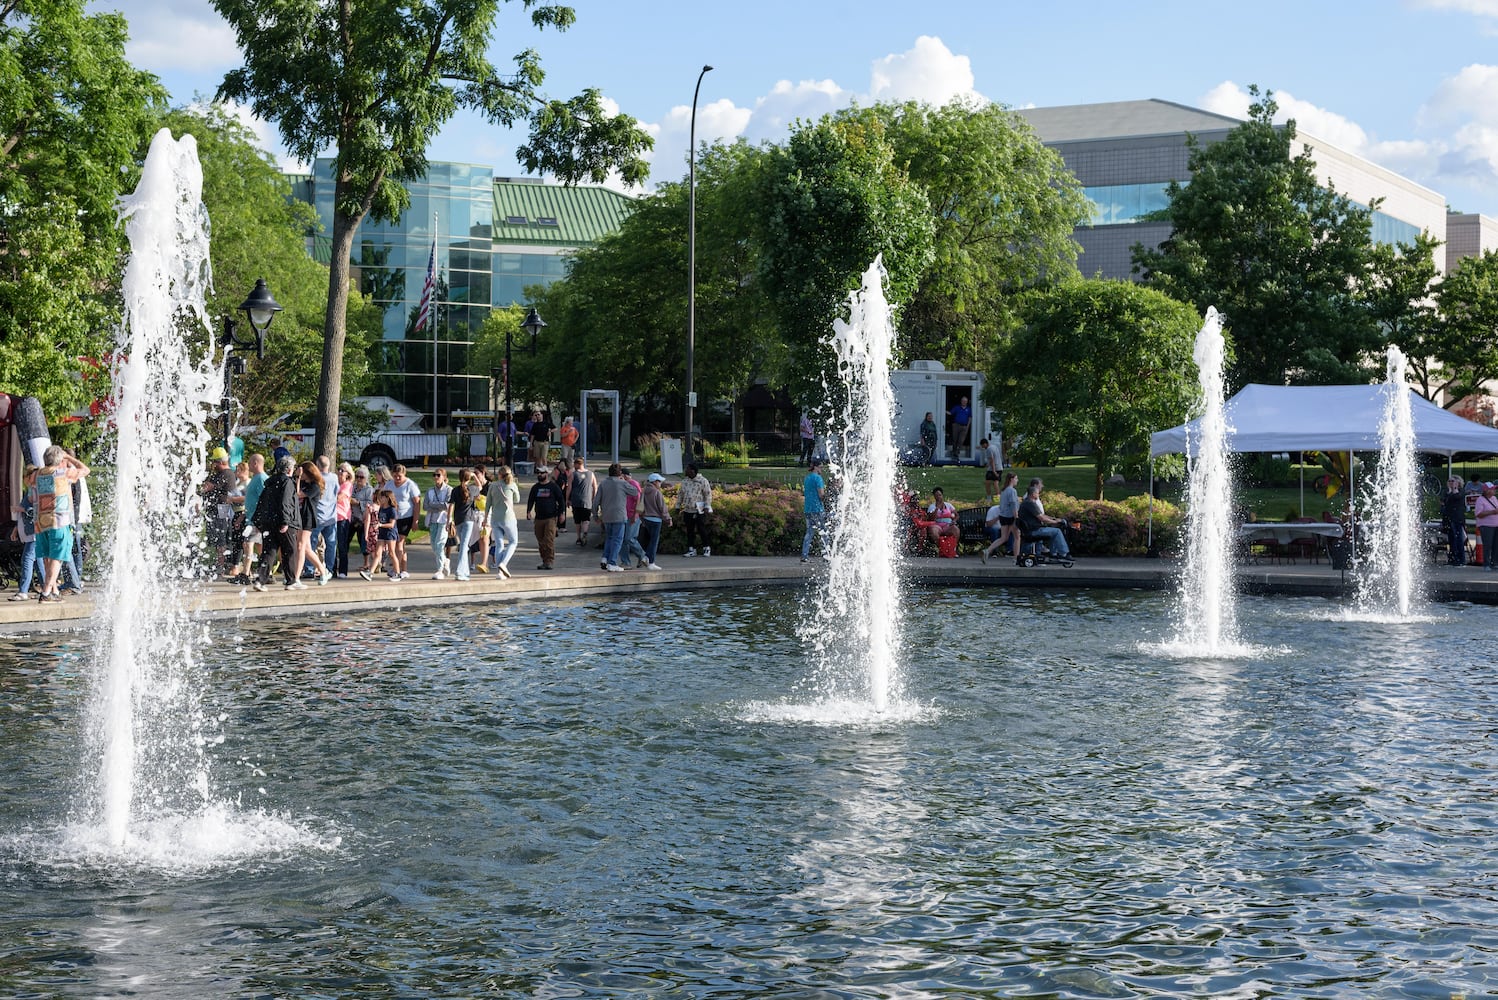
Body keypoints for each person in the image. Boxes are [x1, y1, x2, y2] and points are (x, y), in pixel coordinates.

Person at [30, 446, 89, 603]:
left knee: (48, 557)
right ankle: (46, 592)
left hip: (40, 523)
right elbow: (85, 469)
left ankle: (54, 590)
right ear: (60, 459)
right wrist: (69, 458)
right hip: (59, 521)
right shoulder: (63, 473)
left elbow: (30, 497)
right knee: (57, 557)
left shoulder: (36, 475)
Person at [252, 454, 300, 591]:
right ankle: (290, 581)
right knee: (289, 550)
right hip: (283, 522)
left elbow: (262, 502)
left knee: (269, 551)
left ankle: (260, 580)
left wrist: (258, 521)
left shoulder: (271, 482)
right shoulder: (287, 482)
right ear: (290, 469)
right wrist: (285, 521)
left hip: (268, 522)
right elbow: (286, 502)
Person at [593, 462, 640, 572]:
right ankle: (612, 562)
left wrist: (595, 515)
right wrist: (624, 480)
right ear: (620, 473)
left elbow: (596, 501)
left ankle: (605, 558)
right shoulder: (622, 483)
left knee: (609, 538)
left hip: (607, 516)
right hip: (619, 516)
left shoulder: (603, 484)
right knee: (618, 540)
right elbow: (635, 492)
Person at [199, 446, 236, 577]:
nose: (213, 464)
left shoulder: (226, 474)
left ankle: (221, 566)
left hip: (222, 508)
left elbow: (207, 487)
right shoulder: (220, 474)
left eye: (214, 462)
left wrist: (202, 486)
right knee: (218, 539)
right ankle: (219, 564)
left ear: (220, 462)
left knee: (221, 538)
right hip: (217, 508)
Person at [293, 461, 331, 587]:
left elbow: (298, 495)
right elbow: (294, 492)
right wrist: (297, 478)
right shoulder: (303, 483)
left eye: (303, 472)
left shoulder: (315, 486)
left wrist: (298, 477)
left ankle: (296, 577)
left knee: (300, 546)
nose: (301, 474)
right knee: (307, 549)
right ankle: (323, 570)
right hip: (299, 517)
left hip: (308, 517)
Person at [1016, 477, 1071, 561]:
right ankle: (1064, 553)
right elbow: (1041, 517)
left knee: (1053, 531)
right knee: (1057, 531)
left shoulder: (1027, 502)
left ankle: (1054, 553)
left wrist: (1054, 519)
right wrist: (1054, 522)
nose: (1038, 495)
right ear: (1033, 494)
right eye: (1037, 493)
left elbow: (1042, 515)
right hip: (1034, 530)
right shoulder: (1030, 504)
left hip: (1031, 529)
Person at [526, 466, 567, 570]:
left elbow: (561, 500)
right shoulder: (535, 488)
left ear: (546, 474)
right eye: (538, 473)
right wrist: (528, 511)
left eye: (542, 473)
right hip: (539, 518)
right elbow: (531, 500)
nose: (539, 475)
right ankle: (544, 560)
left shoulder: (553, 487)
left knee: (548, 540)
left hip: (551, 518)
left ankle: (549, 561)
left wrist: (562, 514)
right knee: (541, 541)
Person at [386, 464, 422, 580]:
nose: (397, 479)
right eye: (395, 476)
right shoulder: (389, 484)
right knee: (398, 544)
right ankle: (403, 569)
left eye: (399, 476)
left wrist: (415, 521)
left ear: (404, 474)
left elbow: (417, 502)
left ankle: (396, 570)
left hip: (406, 517)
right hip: (393, 518)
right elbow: (383, 496)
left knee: (399, 543)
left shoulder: (410, 485)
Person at [487, 464, 520, 578]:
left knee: (499, 544)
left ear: (499, 474)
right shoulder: (512, 485)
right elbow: (517, 499)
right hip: (508, 518)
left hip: (495, 518)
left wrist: (486, 517)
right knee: (513, 542)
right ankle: (503, 564)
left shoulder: (493, 485)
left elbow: (488, 503)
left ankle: (500, 572)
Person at [447, 468, 480, 581]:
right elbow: (480, 486)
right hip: (468, 520)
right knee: (464, 546)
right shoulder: (472, 489)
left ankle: (465, 572)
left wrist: (449, 520)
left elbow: (451, 505)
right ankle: (460, 572)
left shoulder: (455, 490)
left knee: (464, 546)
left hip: (458, 520)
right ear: (468, 478)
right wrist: (474, 476)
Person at [982, 472, 1021, 563]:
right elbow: (1013, 505)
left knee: (1004, 537)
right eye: (1016, 478)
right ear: (1011, 479)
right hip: (1011, 516)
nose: (1017, 480)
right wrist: (1016, 517)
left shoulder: (1003, 490)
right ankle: (1016, 558)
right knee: (1017, 537)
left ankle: (987, 551)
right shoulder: (1012, 491)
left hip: (1003, 516)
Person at [676, 462, 713, 557]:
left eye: (687, 469)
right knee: (689, 530)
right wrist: (678, 506)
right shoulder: (685, 481)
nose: (685, 471)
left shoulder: (702, 481)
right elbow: (680, 494)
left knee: (701, 528)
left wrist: (707, 506)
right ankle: (691, 549)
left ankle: (706, 548)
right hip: (688, 508)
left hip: (699, 507)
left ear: (692, 471)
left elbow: (707, 494)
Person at [424, 468, 453, 578]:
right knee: (434, 545)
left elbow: (447, 505)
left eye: (438, 475)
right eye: (434, 475)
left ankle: (440, 569)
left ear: (444, 477)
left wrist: (433, 505)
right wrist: (438, 506)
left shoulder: (449, 490)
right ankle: (445, 560)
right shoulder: (430, 491)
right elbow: (425, 505)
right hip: (432, 520)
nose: (436, 477)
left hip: (444, 520)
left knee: (440, 544)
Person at [639, 473, 672, 569]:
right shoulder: (657, 492)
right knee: (654, 541)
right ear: (654, 482)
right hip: (656, 520)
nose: (660, 483)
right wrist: (668, 519)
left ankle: (647, 558)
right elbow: (662, 508)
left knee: (650, 540)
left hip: (646, 518)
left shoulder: (644, 491)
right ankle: (650, 560)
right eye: (659, 481)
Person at [801, 457, 827, 562]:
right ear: (816, 467)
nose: (822, 469)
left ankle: (804, 556)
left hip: (808, 508)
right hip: (817, 508)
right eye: (821, 467)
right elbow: (821, 494)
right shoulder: (818, 478)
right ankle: (826, 555)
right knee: (824, 532)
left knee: (809, 533)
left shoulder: (807, 478)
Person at [350, 466, 375, 574]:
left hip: (362, 519)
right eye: (357, 477)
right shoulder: (352, 487)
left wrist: (358, 503)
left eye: (361, 477)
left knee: (363, 541)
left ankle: (367, 563)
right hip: (352, 518)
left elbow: (371, 504)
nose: (359, 479)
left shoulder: (369, 490)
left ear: (366, 478)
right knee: (345, 540)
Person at [569, 456, 598, 547]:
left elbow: (569, 488)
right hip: (587, 500)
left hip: (576, 500)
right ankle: (585, 533)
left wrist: (567, 499)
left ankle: (578, 537)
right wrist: (594, 498)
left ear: (578, 464)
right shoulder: (591, 474)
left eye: (575, 464)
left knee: (577, 520)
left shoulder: (573, 474)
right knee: (586, 519)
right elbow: (595, 486)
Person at [333, 462, 355, 578]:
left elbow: (339, 498)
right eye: (339, 470)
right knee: (331, 545)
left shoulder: (347, 485)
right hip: (332, 517)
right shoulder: (335, 483)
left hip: (342, 518)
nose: (339, 472)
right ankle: (331, 569)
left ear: (348, 474)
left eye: (342, 471)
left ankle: (343, 570)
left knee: (342, 545)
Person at [1441, 475, 1469, 566]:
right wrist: (1449, 491)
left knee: (1458, 539)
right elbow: (1443, 501)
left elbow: (1457, 497)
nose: (1451, 483)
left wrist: (1454, 489)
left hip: (1457, 518)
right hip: (1448, 518)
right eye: (1449, 481)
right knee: (1451, 539)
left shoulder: (1461, 491)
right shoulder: (1446, 492)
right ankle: (1452, 558)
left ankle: (1460, 559)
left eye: (1453, 481)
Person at [1475, 481, 1498, 572]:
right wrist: (1492, 512)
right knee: (1487, 545)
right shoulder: (1480, 500)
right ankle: (1486, 564)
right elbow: (1479, 514)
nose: (1494, 491)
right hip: (1486, 525)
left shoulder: (1494, 498)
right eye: (1492, 489)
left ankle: (1495, 562)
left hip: (1496, 524)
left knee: (1496, 545)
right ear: (1487, 491)